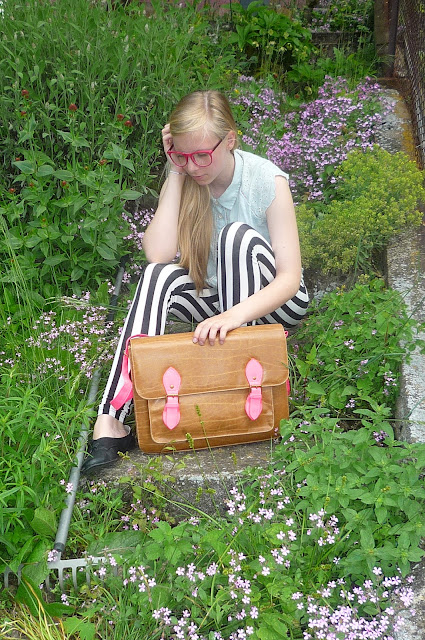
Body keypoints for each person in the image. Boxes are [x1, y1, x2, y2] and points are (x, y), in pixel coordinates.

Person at [81, 90, 309, 474]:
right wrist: (174, 172)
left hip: (275, 303)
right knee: (156, 275)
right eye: (183, 156)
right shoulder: (186, 176)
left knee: (237, 237)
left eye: (202, 155)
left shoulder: (266, 180)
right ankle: (112, 418)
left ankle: (242, 389)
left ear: (230, 140)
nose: (194, 166)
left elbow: (290, 279)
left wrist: (235, 315)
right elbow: (158, 253)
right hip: (221, 299)